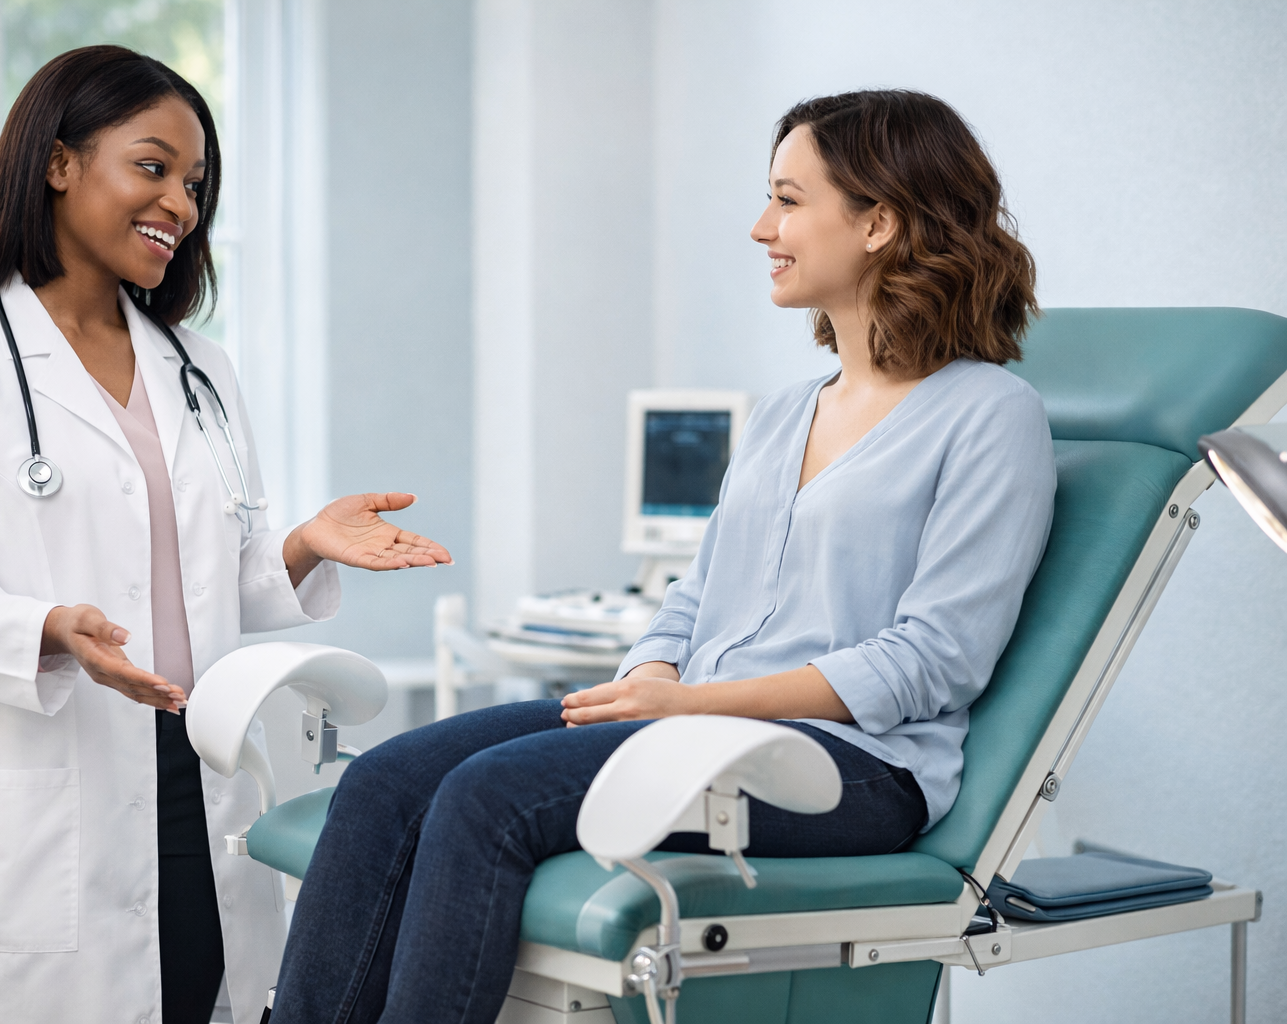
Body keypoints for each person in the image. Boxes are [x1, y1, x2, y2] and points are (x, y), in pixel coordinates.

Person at [268, 89, 1057, 1024]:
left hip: (847, 766)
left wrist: (689, 705)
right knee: (385, 780)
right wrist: (649, 674)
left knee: (487, 800)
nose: (763, 226)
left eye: (790, 200)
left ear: (880, 220)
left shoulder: (990, 417)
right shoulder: (783, 414)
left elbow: (934, 660)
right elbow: (696, 593)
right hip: (696, 724)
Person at [0, 45, 450, 1024]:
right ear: (58, 164)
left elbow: (221, 581)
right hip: (52, 780)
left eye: (195, 183)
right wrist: (51, 626)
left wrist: (303, 543)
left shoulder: (201, 369)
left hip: (200, 767)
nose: (180, 202)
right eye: (153, 166)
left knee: (196, 997)